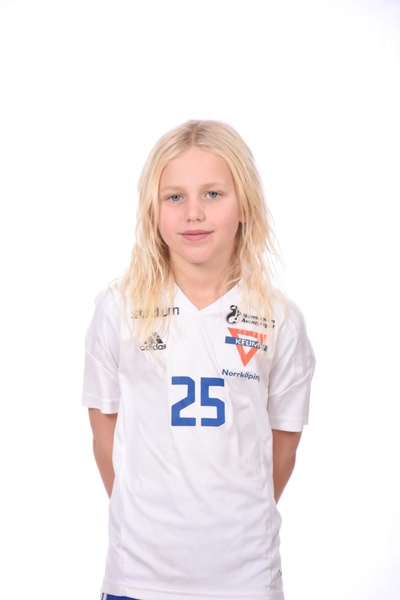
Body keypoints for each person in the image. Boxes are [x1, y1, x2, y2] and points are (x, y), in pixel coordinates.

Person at [83, 119, 315, 600]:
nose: (193, 213)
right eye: (175, 197)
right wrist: (147, 522)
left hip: (246, 577)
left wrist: (231, 522)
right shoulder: (118, 309)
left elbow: (283, 447)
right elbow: (105, 435)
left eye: (213, 194)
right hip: (138, 576)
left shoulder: (278, 318)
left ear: (244, 205)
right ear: (153, 210)